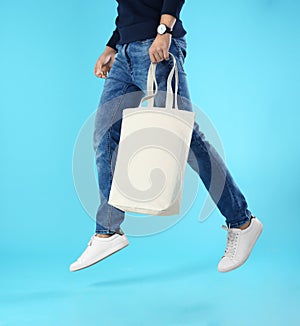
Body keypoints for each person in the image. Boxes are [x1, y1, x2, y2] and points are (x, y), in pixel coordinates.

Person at [69, 0, 263, 273]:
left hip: (157, 46)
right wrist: (113, 45)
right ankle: (108, 231)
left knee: (185, 139)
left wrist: (164, 30)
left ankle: (242, 222)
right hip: (125, 51)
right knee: (104, 135)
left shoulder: (163, 35)